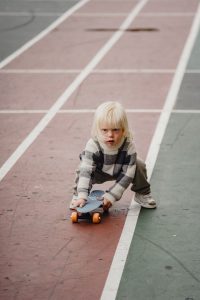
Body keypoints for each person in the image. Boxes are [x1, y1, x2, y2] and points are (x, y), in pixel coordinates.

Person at [70, 101, 156, 210]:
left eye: (115, 130)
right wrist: (82, 195)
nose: (110, 134)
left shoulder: (129, 145)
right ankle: (78, 195)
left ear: (123, 129)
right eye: (105, 130)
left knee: (139, 164)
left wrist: (111, 196)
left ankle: (142, 193)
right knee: (83, 167)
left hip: (120, 171)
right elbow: (86, 170)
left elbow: (127, 175)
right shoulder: (93, 144)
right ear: (97, 129)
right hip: (98, 172)